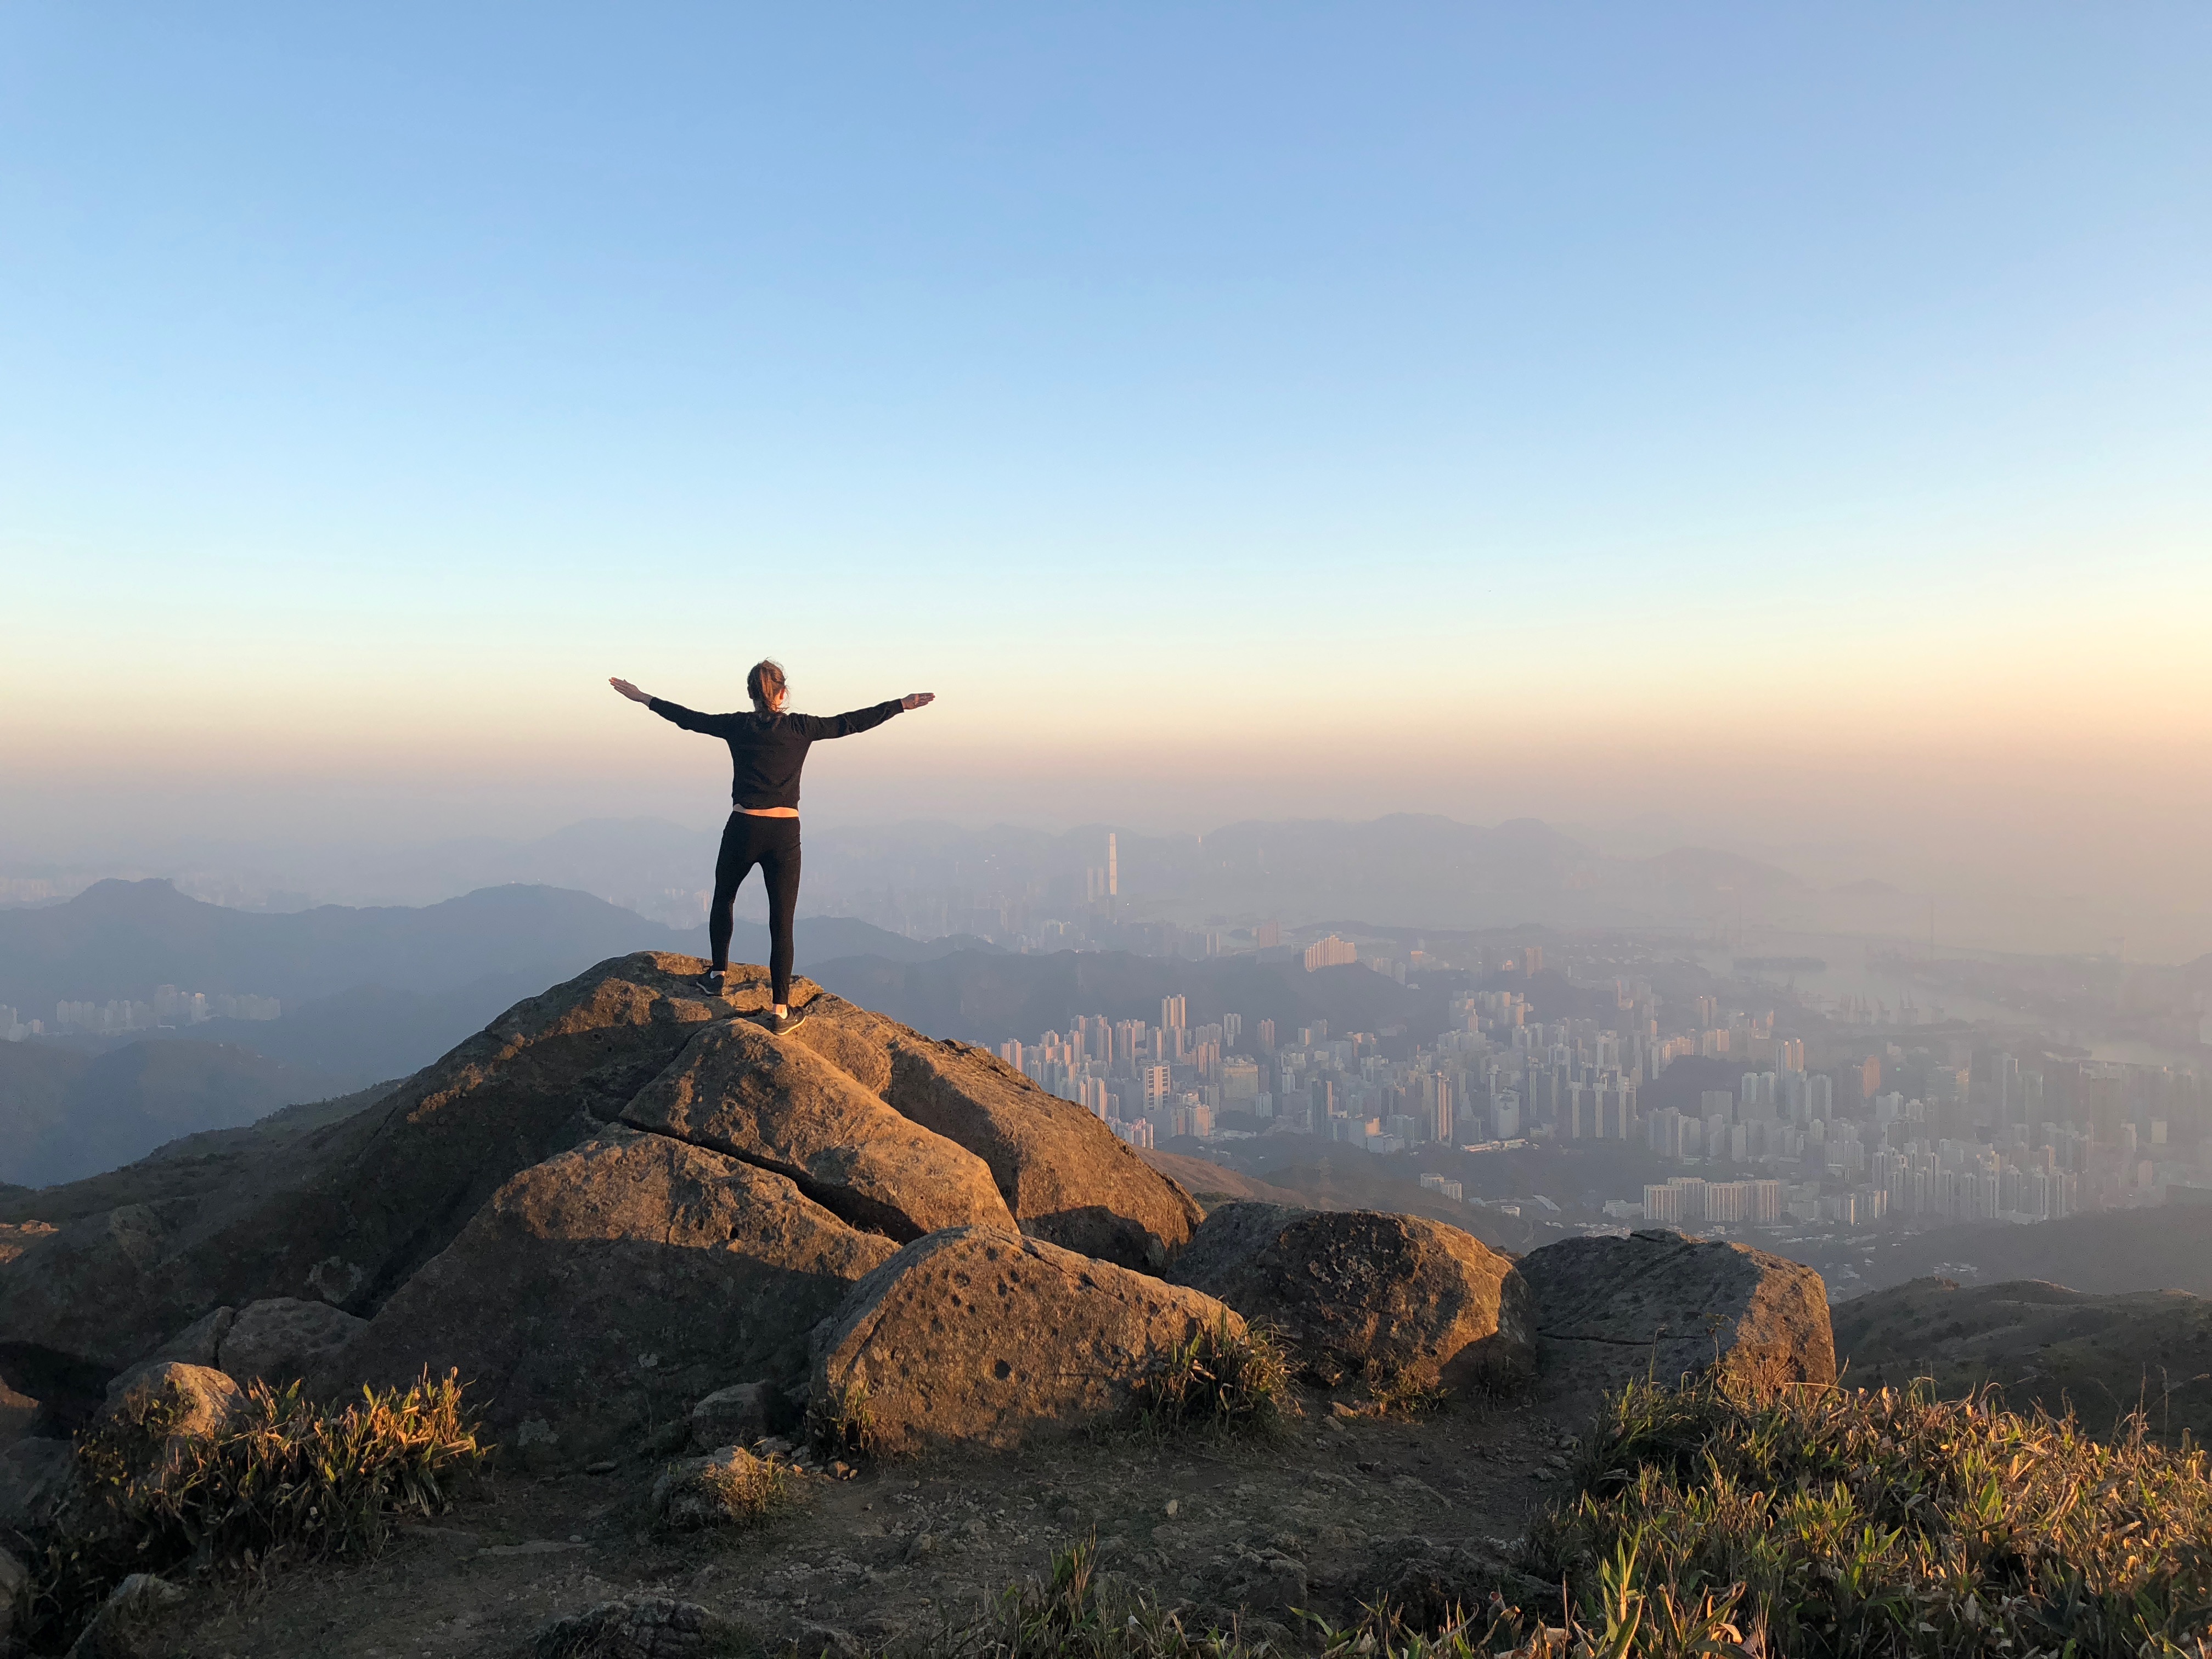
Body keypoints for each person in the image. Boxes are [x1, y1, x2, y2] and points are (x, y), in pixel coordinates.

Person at [608, 662, 934, 1035]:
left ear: (751, 695)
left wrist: (642, 698)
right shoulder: (802, 727)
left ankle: (717, 975)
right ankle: (780, 1012)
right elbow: (850, 722)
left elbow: (688, 718)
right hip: (784, 833)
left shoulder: (738, 725)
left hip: (744, 827)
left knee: (723, 898)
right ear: (782, 694)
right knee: (782, 921)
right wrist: (900, 705)